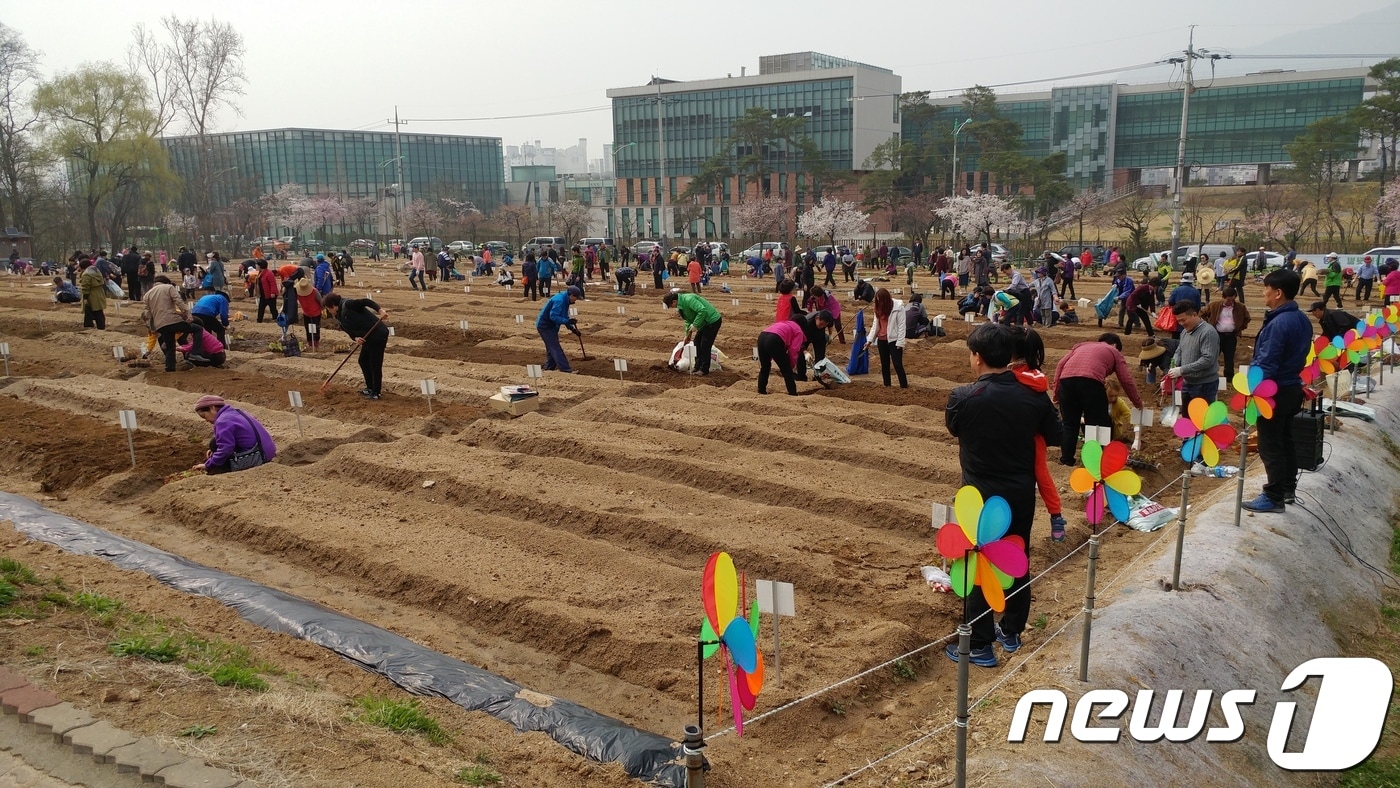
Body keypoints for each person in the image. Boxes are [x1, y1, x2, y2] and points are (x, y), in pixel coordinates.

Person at [945, 322, 1063, 666]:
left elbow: (954, 428)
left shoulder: (962, 397)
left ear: (977, 358)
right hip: (1019, 493)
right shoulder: (1034, 394)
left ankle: (979, 645)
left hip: (979, 499)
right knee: (1015, 557)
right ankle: (1010, 630)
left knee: (978, 562)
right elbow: (1055, 435)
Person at [1242, 269, 1311, 513]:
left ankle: (1273, 497)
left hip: (1273, 391)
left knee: (1270, 444)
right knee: (1285, 440)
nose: (1264, 293)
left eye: (1266, 289)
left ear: (1278, 292)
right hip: (1292, 387)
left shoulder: (1279, 323)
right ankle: (1287, 489)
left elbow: (1267, 361)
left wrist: (1253, 390)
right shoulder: (1301, 319)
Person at [1007, 325, 1068, 542]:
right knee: (1042, 475)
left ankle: (1056, 515)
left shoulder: (1012, 377)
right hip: (1035, 438)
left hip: (1020, 440)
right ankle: (1056, 515)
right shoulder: (1036, 377)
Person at [1053, 334, 1144, 465]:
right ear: (1115, 346)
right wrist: (1137, 403)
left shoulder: (1080, 346)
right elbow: (1126, 380)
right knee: (1098, 424)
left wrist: (1056, 393)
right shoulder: (1114, 352)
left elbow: (1060, 365)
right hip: (1091, 383)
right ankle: (1095, 462)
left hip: (1066, 381)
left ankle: (1066, 460)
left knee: (1069, 424)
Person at [322, 293, 389, 399]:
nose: (329, 312)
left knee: (374, 363)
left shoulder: (348, 305)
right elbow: (349, 330)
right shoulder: (339, 316)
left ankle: (376, 392)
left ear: (333, 306)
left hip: (378, 334)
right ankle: (370, 388)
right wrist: (355, 338)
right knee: (363, 360)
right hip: (368, 338)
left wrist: (380, 310)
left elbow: (366, 302)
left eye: (329, 309)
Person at [191, 395, 276, 475]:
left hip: (258, 457)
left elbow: (225, 450)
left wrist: (208, 465)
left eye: (204, 416)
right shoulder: (236, 412)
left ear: (212, 408)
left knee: (218, 464)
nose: (206, 420)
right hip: (267, 452)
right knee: (214, 443)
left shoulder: (223, 421)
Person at [757, 312, 829, 395]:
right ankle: (793, 393)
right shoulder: (798, 330)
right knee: (787, 371)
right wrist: (790, 365)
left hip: (762, 337)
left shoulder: (784, 323)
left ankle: (761, 390)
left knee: (765, 367)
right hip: (775, 339)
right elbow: (793, 350)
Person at [1166, 301, 1221, 408]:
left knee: (1202, 420)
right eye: (1178, 321)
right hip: (1187, 383)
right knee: (1187, 419)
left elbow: (1207, 359)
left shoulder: (1208, 332)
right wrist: (1174, 365)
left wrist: (1182, 370)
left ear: (1195, 314)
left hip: (1204, 385)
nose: (1181, 324)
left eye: (1183, 320)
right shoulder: (1185, 332)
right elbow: (1179, 350)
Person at [663, 291, 723, 376]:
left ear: (674, 301)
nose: (672, 307)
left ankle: (704, 369)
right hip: (703, 323)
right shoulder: (681, 306)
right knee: (696, 343)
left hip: (712, 321)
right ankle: (697, 367)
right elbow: (688, 320)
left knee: (705, 345)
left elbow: (702, 310)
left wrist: (695, 324)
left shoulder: (688, 300)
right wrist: (687, 335)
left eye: (671, 305)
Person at [141, 275, 192, 373]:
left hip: (161, 325)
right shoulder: (169, 287)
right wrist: (188, 313)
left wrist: (150, 324)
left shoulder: (147, 295)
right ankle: (194, 356)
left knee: (169, 345)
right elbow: (179, 301)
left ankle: (170, 368)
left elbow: (148, 313)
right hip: (174, 321)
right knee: (197, 328)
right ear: (166, 282)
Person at [1201, 287, 1250, 380]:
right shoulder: (1213, 305)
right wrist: (1208, 325)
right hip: (1216, 336)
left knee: (1229, 357)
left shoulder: (1240, 307)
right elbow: (1202, 314)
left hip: (1231, 336)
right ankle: (1210, 375)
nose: (1230, 302)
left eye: (1233, 299)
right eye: (1228, 299)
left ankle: (1229, 378)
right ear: (1223, 297)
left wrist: (1240, 327)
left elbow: (1247, 318)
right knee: (1213, 355)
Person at [536, 286, 584, 374]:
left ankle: (549, 367)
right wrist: (567, 321)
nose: (576, 300)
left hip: (552, 326)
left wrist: (572, 329)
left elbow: (563, 315)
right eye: (576, 298)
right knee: (555, 348)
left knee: (551, 348)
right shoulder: (560, 301)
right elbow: (553, 316)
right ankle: (566, 369)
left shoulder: (565, 300)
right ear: (572, 295)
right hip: (545, 326)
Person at [867, 288, 908, 388]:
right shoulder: (877, 309)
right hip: (882, 340)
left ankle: (904, 386)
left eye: (881, 300)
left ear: (886, 299)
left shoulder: (898, 308)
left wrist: (900, 342)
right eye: (877, 300)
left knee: (897, 364)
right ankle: (887, 385)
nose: (879, 303)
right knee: (884, 365)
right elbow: (875, 325)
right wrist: (869, 340)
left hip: (894, 340)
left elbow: (902, 326)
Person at [295, 277, 324, 350]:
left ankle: (316, 343)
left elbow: (320, 301)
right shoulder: (297, 292)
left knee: (316, 329)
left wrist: (323, 309)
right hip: (306, 313)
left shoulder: (314, 291)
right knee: (308, 328)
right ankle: (310, 343)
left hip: (316, 313)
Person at [78, 259, 108, 329]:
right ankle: (100, 326)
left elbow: (86, 287)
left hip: (92, 294)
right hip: (99, 292)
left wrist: (85, 298)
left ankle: (94, 327)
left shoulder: (86, 274)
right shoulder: (96, 270)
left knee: (93, 311)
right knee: (99, 311)